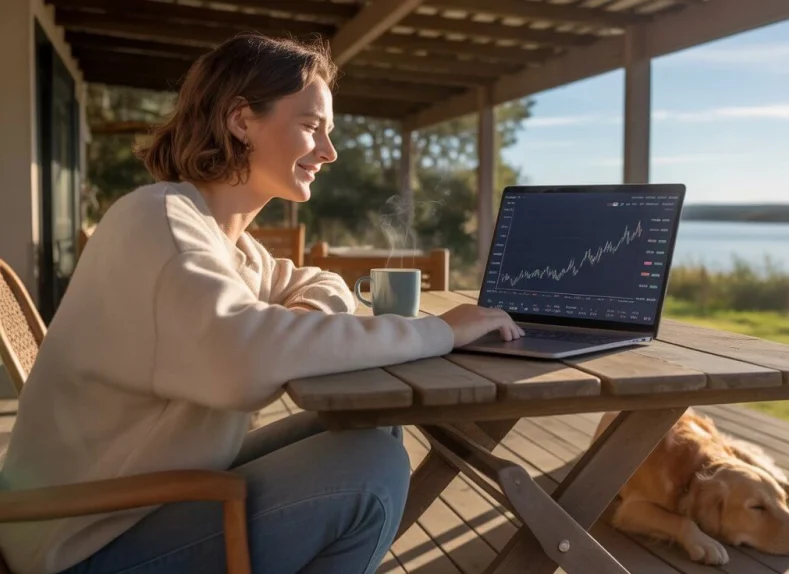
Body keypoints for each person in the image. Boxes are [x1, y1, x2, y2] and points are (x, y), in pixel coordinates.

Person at [0, 33, 523, 574]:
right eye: (311, 126)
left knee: (373, 427)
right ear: (241, 119)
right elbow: (242, 363)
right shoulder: (160, 221)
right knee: (369, 469)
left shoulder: (229, 245)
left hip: (145, 499)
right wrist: (441, 332)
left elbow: (317, 282)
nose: (329, 151)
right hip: (82, 542)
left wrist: (296, 324)